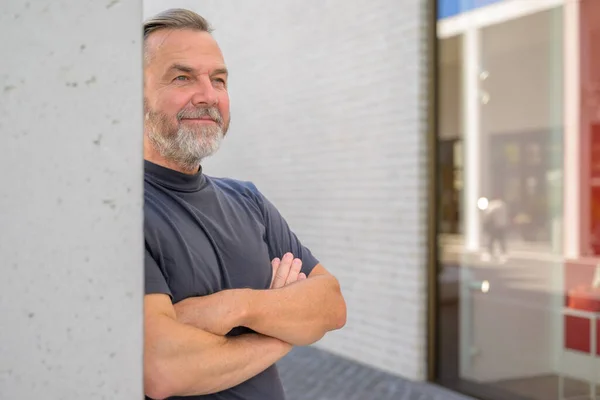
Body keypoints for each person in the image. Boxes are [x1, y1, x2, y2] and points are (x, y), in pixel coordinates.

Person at [142, 8, 347, 400]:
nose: (207, 96)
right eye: (182, 77)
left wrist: (236, 307)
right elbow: (163, 369)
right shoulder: (122, 212)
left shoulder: (247, 200)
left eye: (218, 80)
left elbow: (332, 305)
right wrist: (280, 328)